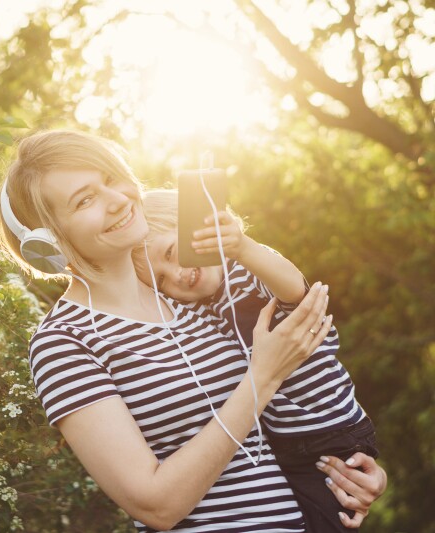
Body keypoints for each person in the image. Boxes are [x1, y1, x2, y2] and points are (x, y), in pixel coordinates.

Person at [0, 129, 386, 532]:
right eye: (85, 200)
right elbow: (156, 506)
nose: (117, 200)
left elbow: (278, 423)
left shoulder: (193, 300)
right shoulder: (64, 342)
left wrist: (350, 469)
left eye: (109, 179)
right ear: (49, 244)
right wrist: (263, 376)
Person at [131, 188, 380, 531]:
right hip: (286, 442)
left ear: (198, 233)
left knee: (328, 521)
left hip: (329, 431)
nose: (176, 274)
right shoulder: (193, 310)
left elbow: (294, 288)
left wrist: (242, 246)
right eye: (161, 281)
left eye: (173, 252)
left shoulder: (247, 271)